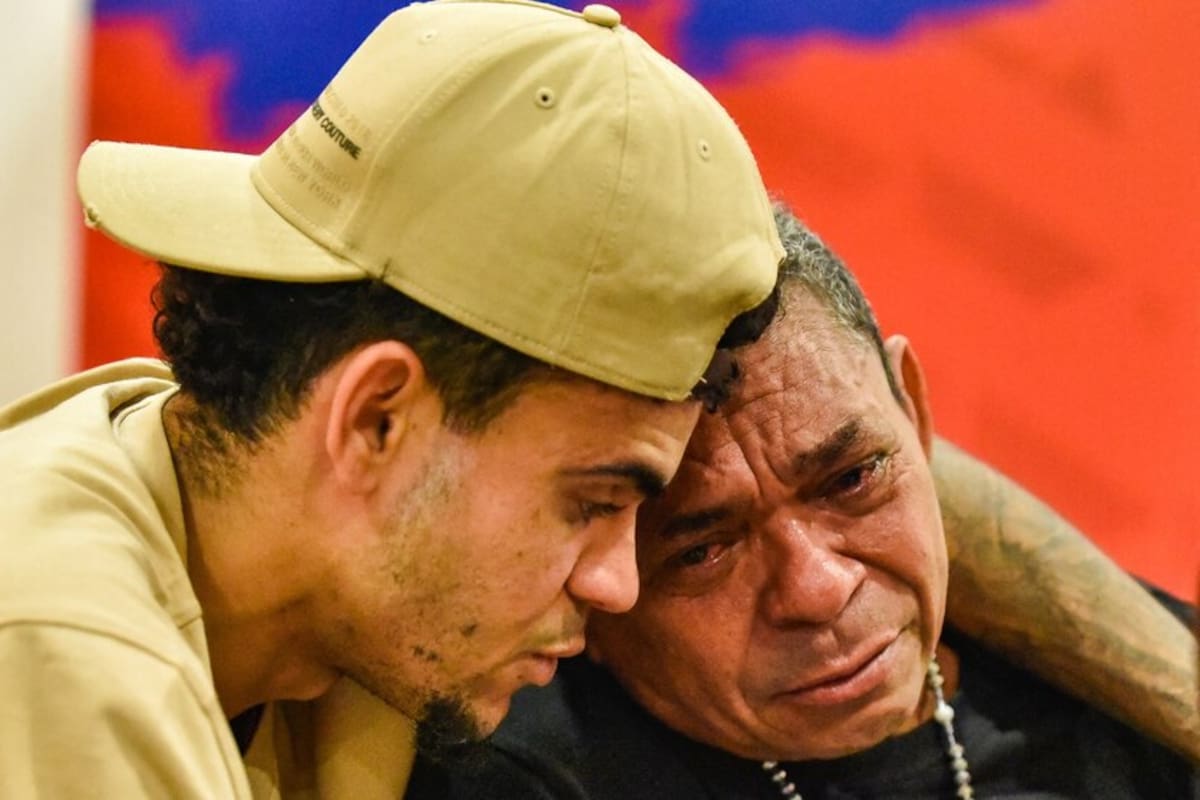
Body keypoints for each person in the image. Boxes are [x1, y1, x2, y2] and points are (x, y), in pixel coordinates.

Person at [0, 2, 785, 797]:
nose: (617, 586)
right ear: (376, 420)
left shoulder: (308, 594)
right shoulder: (57, 654)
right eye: (593, 503)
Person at [410, 204, 1199, 798]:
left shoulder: (1132, 700)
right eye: (701, 550)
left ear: (915, 414)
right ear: (591, 574)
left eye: (852, 478)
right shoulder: (517, 777)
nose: (818, 589)